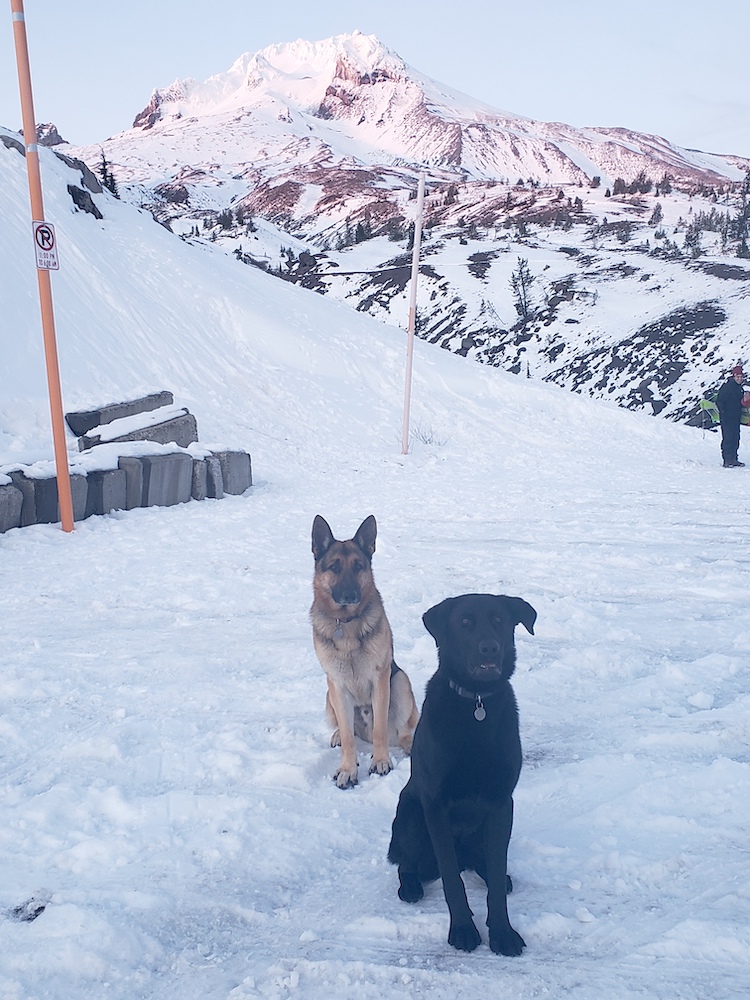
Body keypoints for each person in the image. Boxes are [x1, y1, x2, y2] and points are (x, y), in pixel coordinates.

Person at [716, 365, 750, 467]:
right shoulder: (727, 386)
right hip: (727, 417)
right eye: (737, 376)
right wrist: (723, 412)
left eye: (741, 377)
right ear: (734, 376)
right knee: (728, 438)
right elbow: (719, 400)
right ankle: (727, 460)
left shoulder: (739, 388)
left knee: (736, 438)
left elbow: (740, 402)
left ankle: (734, 459)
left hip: (736, 417)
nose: (739, 378)